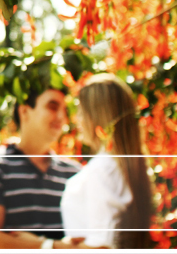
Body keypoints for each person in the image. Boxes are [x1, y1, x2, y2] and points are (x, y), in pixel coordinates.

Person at [0, 84, 84, 249]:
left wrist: (39, 244)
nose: (61, 117)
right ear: (24, 111)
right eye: (52, 107)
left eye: (65, 110)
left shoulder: (75, 173)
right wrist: (53, 246)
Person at [61, 74, 154, 248]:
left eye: (81, 111)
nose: (77, 119)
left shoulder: (103, 169)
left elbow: (102, 246)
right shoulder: (125, 166)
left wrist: (46, 245)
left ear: (97, 115)